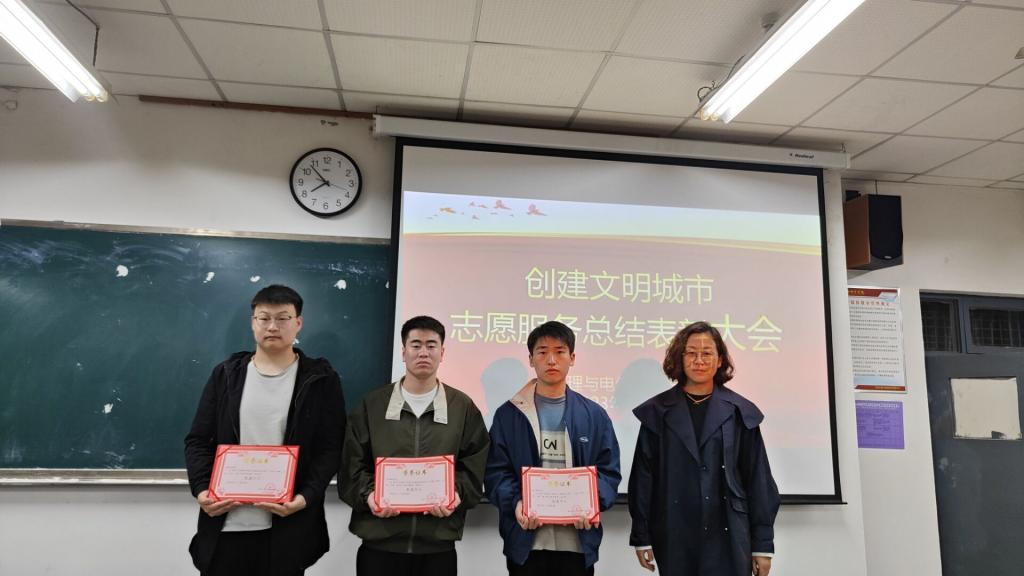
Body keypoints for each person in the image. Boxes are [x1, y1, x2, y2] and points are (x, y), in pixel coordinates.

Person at [184, 284, 346, 576]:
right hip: (226, 524)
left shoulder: (321, 379)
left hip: (287, 528)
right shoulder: (226, 375)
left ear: (298, 322)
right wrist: (202, 490)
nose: (273, 326)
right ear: (253, 322)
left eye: (283, 318)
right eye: (264, 318)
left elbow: (331, 447)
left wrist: (305, 497)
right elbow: (198, 440)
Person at [339, 315, 490, 576]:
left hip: (437, 547)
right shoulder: (372, 405)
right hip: (379, 543)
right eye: (416, 345)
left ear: (442, 353)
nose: (423, 353)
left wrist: (456, 494)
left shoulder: (462, 408)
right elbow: (352, 464)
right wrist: (370, 495)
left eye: (431, 346)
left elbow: (475, 465)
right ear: (403, 351)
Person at [628, 321, 780, 576]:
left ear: (720, 360)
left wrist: (762, 545)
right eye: (691, 353)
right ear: (680, 358)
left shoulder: (740, 412)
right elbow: (643, 479)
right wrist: (641, 536)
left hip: (729, 533)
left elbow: (758, 479)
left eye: (707, 353)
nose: (699, 360)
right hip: (674, 531)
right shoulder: (657, 412)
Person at [485, 321, 620, 576]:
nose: (551, 360)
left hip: (577, 543)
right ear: (531, 359)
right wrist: (516, 502)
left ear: (572, 358)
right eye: (542, 352)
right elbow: (496, 472)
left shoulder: (594, 415)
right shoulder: (508, 415)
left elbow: (609, 472)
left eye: (559, 351)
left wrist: (592, 502)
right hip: (526, 542)